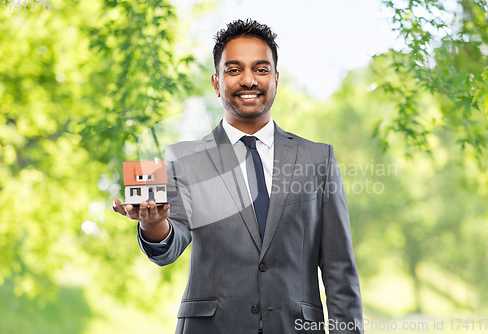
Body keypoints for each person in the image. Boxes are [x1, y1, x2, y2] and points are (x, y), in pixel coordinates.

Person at [113, 19, 363, 334]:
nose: (248, 80)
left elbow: (340, 270)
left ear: (276, 79)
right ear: (217, 83)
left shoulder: (318, 158)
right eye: (234, 70)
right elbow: (171, 242)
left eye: (260, 69)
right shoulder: (183, 157)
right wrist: (153, 225)